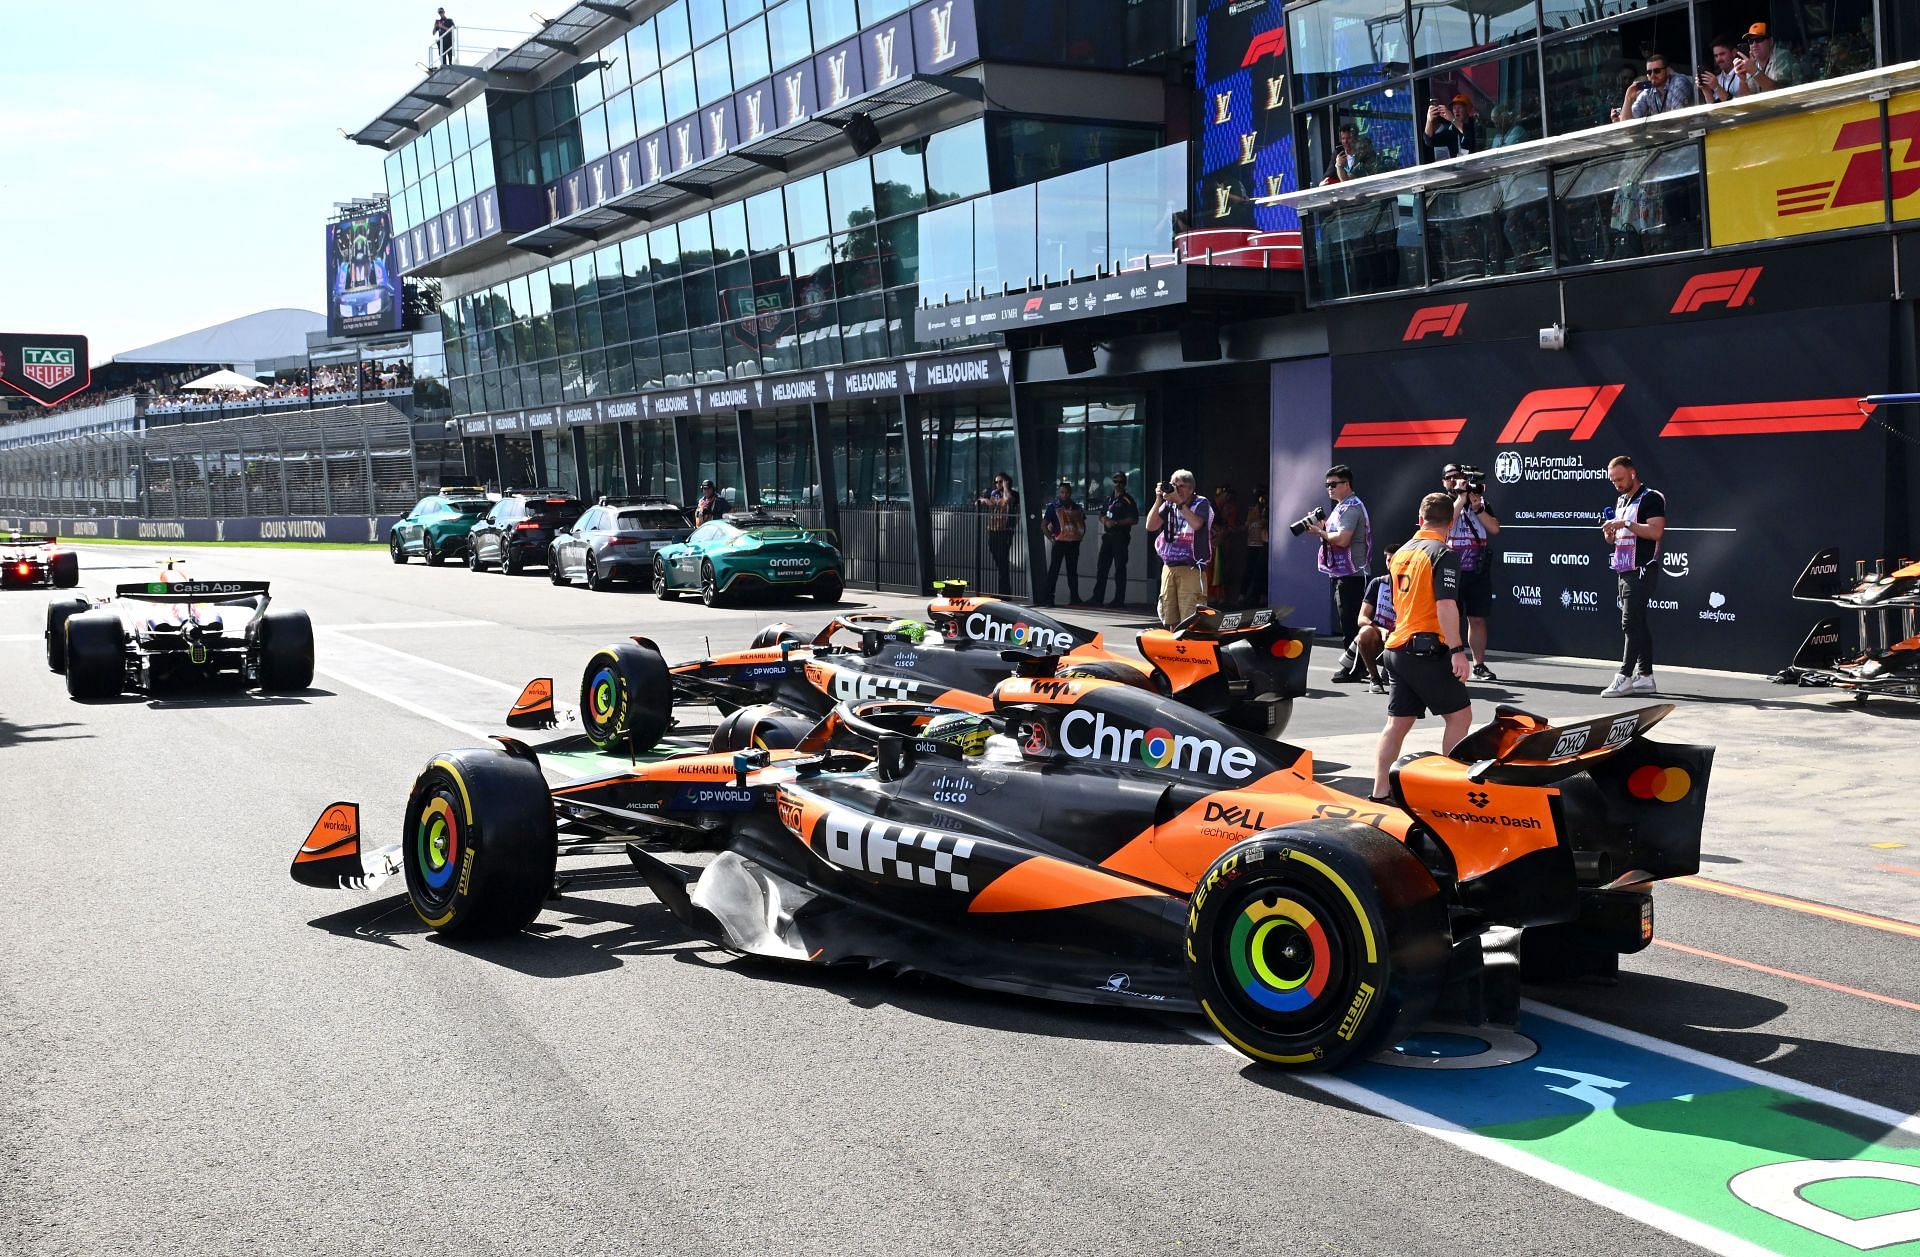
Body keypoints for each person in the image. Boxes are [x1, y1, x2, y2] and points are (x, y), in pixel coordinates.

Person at [1370, 493, 1474, 802]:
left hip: (1397, 648)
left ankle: (1379, 791)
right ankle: (1452, 791)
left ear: (1420, 519)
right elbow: (1445, 604)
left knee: (1397, 723)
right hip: (1425, 650)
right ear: (1451, 523)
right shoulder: (1443, 553)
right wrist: (1457, 650)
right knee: (1460, 717)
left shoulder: (1402, 551)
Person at [1599, 455, 1667, 697]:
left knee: (1629, 623)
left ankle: (1625, 676)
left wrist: (1625, 524)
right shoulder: (1621, 500)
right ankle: (1646, 676)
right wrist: (1609, 532)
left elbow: (1656, 531)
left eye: (1620, 478)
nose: (1616, 483)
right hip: (1623, 568)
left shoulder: (1651, 497)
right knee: (1638, 622)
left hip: (1642, 570)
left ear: (1632, 473)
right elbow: (1617, 538)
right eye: (1613, 480)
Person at [1303, 464, 1371, 678]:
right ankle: (1359, 665)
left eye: (1333, 484)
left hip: (1353, 575)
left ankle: (1355, 667)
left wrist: (1320, 532)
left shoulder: (1351, 507)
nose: (1329, 488)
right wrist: (1322, 527)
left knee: (1351, 624)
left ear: (1347, 484)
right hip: (1345, 573)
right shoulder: (1342, 506)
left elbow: (1342, 539)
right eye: (1327, 485)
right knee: (1349, 622)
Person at [1441, 462, 1501, 681]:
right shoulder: (1442, 502)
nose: (1455, 480)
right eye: (1449, 477)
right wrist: (1460, 498)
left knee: (1477, 618)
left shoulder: (1479, 501)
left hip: (1476, 569)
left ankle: (1479, 665)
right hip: (1450, 569)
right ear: (1444, 481)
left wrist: (1477, 508)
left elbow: (1494, 528)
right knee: (1449, 617)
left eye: (1458, 476)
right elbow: (1446, 524)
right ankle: (1450, 662)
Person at [1145, 469, 1213, 629]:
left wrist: (1180, 503)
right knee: (1170, 616)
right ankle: (1174, 649)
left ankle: (1190, 649)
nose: (1177, 489)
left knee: (1191, 617)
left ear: (1191, 488)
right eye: (1174, 485)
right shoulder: (1168, 503)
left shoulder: (1201, 503)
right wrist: (1158, 500)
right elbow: (1150, 526)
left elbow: (1197, 524)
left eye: (1181, 486)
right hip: (1169, 566)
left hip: (1191, 567)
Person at [1089, 471, 1138, 607]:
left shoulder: (1127, 500)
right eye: (1116, 481)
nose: (1118, 484)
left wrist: (1116, 523)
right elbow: (1101, 514)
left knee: (1120, 568)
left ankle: (1118, 600)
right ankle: (1097, 598)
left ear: (1124, 483)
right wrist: (1104, 520)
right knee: (1102, 567)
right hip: (1108, 537)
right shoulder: (1108, 499)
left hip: (1120, 537)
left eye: (1121, 482)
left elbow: (1134, 519)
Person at [1041, 479, 1086, 607]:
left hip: (1073, 543)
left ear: (1070, 493)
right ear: (1059, 493)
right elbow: (1044, 525)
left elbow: (1082, 524)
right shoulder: (1053, 507)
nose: (1064, 495)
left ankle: (1075, 597)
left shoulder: (1077, 507)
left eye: (1066, 492)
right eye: (1062, 492)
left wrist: (1080, 536)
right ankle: (1048, 598)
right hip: (1059, 542)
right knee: (1054, 570)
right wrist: (1051, 538)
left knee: (1072, 571)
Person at [1620, 53, 1698, 121]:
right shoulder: (1648, 90)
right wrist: (1628, 98)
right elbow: (1626, 123)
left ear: (1667, 71)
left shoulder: (1678, 82)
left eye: (1657, 71)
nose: (1653, 75)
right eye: (1649, 72)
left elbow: (1677, 119)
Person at [977, 471, 1018, 596]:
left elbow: (1008, 500)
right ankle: (1004, 592)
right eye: (996, 482)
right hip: (993, 529)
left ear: (1007, 481)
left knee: (1002, 560)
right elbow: (978, 502)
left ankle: (1004, 593)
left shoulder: (1012, 493)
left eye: (1001, 481)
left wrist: (1006, 488)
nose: (997, 484)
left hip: (1005, 531)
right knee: (999, 560)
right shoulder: (993, 494)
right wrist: (984, 500)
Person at [1354, 571, 1395, 696]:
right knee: (1365, 633)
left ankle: (1393, 670)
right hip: (1381, 635)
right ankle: (1375, 678)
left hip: (1404, 634)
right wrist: (1381, 629)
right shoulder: (1378, 583)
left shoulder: (1413, 582)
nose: (1391, 563)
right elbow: (1362, 618)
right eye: (1388, 559)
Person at [1732, 23, 1803, 95]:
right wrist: (1742, 79)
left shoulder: (1782, 56)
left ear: (1771, 41)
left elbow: (1778, 91)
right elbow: (1744, 98)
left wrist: (1754, 71)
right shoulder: (1753, 63)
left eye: (1759, 39)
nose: (1754, 44)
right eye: (1751, 41)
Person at [1424, 94, 1477, 159]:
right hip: (1460, 168)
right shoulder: (1451, 130)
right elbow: (1429, 141)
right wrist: (1429, 120)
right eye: (1454, 108)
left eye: (1460, 107)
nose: (1456, 111)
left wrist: (1452, 119)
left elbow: (1468, 134)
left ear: (1468, 109)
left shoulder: (1475, 125)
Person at [1241, 488, 1269, 607]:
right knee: (1249, 570)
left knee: (1261, 571)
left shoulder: (1267, 508)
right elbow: (1246, 525)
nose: (1260, 500)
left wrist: (1263, 517)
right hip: (1252, 544)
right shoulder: (1252, 510)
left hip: (1263, 544)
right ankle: (1243, 595)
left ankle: (1260, 596)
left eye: (1262, 497)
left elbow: (1266, 522)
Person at [1696, 36, 1742, 103]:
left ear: (1734, 52)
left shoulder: (1744, 75)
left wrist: (1717, 87)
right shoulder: (1717, 78)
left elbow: (1739, 108)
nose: (1718, 59)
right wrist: (1705, 89)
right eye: (1716, 56)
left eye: (1722, 54)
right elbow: (1713, 110)